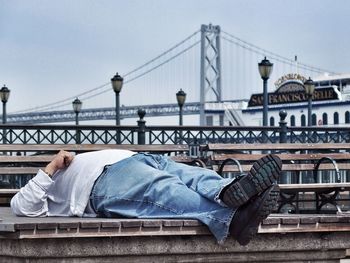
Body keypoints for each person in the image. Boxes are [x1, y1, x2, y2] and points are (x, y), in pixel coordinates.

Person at [11, 149, 282, 245]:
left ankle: (231, 192)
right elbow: (21, 206)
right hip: (104, 183)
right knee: (165, 190)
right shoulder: (46, 185)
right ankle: (232, 217)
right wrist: (51, 167)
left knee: (193, 175)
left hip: (138, 157)